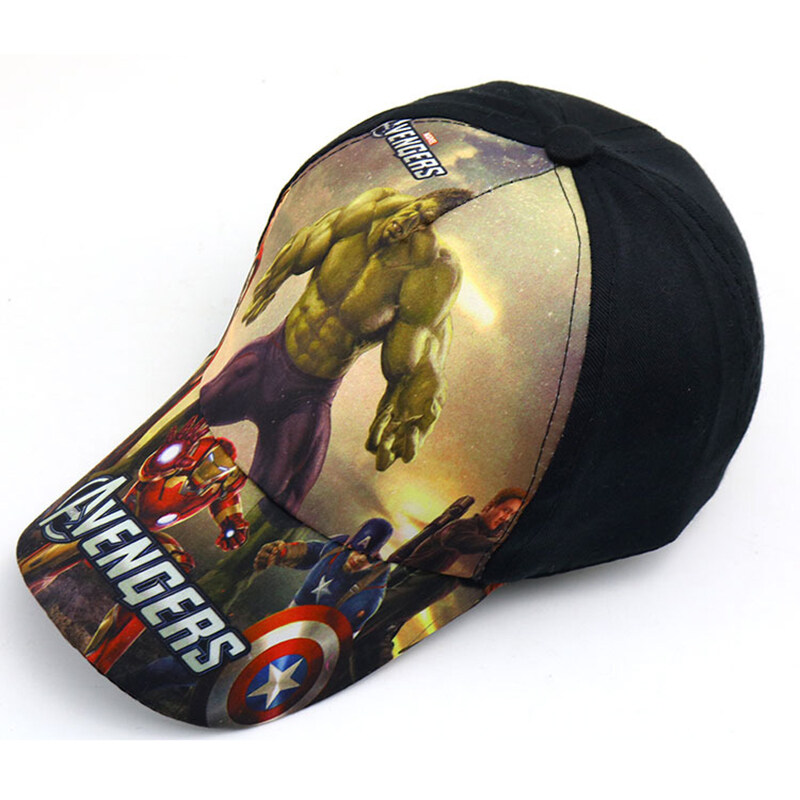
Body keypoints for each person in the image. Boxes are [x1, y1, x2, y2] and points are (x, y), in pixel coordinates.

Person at [200, 187, 473, 514]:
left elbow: (412, 360)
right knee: (187, 423)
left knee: (282, 498)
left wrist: (411, 393)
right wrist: (273, 277)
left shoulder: (430, 274)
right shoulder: (366, 212)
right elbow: (304, 244)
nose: (407, 223)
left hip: (307, 398)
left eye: (423, 222)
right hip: (265, 358)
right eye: (413, 210)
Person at [390, 487, 526, 578]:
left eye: (512, 515)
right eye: (506, 510)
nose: (506, 518)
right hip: (402, 581)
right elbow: (464, 540)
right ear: (490, 506)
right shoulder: (461, 527)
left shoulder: (484, 537)